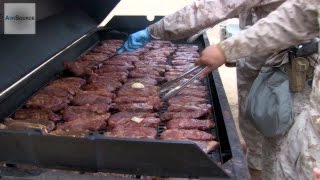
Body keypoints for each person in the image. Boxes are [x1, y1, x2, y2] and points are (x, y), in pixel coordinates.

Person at [117, 1, 288, 178]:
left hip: (281, 57)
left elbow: (213, 7)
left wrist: (153, 31)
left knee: (275, 123)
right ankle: (255, 155)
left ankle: (260, 169)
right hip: (255, 49)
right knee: (251, 115)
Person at [195, 0, 319, 179]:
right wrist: (227, 49)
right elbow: (293, 16)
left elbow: (219, 6)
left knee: (278, 126)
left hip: (286, 67)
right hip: (260, 59)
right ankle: (257, 164)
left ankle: (257, 165)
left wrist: (226, 49)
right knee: (265, 132)